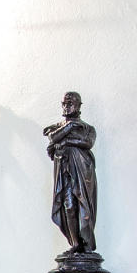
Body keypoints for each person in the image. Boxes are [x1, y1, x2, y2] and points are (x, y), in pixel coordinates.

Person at [44, 92, 99, 256]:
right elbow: (53, 138)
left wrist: (67, 141)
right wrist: (69, 126)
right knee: (68, 206)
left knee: (83, 206)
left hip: (83, 172)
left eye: (70, 103)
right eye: (64, 103)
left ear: (79, 106)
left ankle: (86, 244)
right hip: (64, 172)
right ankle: (75, 243)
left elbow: (87, 142)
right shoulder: (58, 128)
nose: (66, 106)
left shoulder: (88, 128)